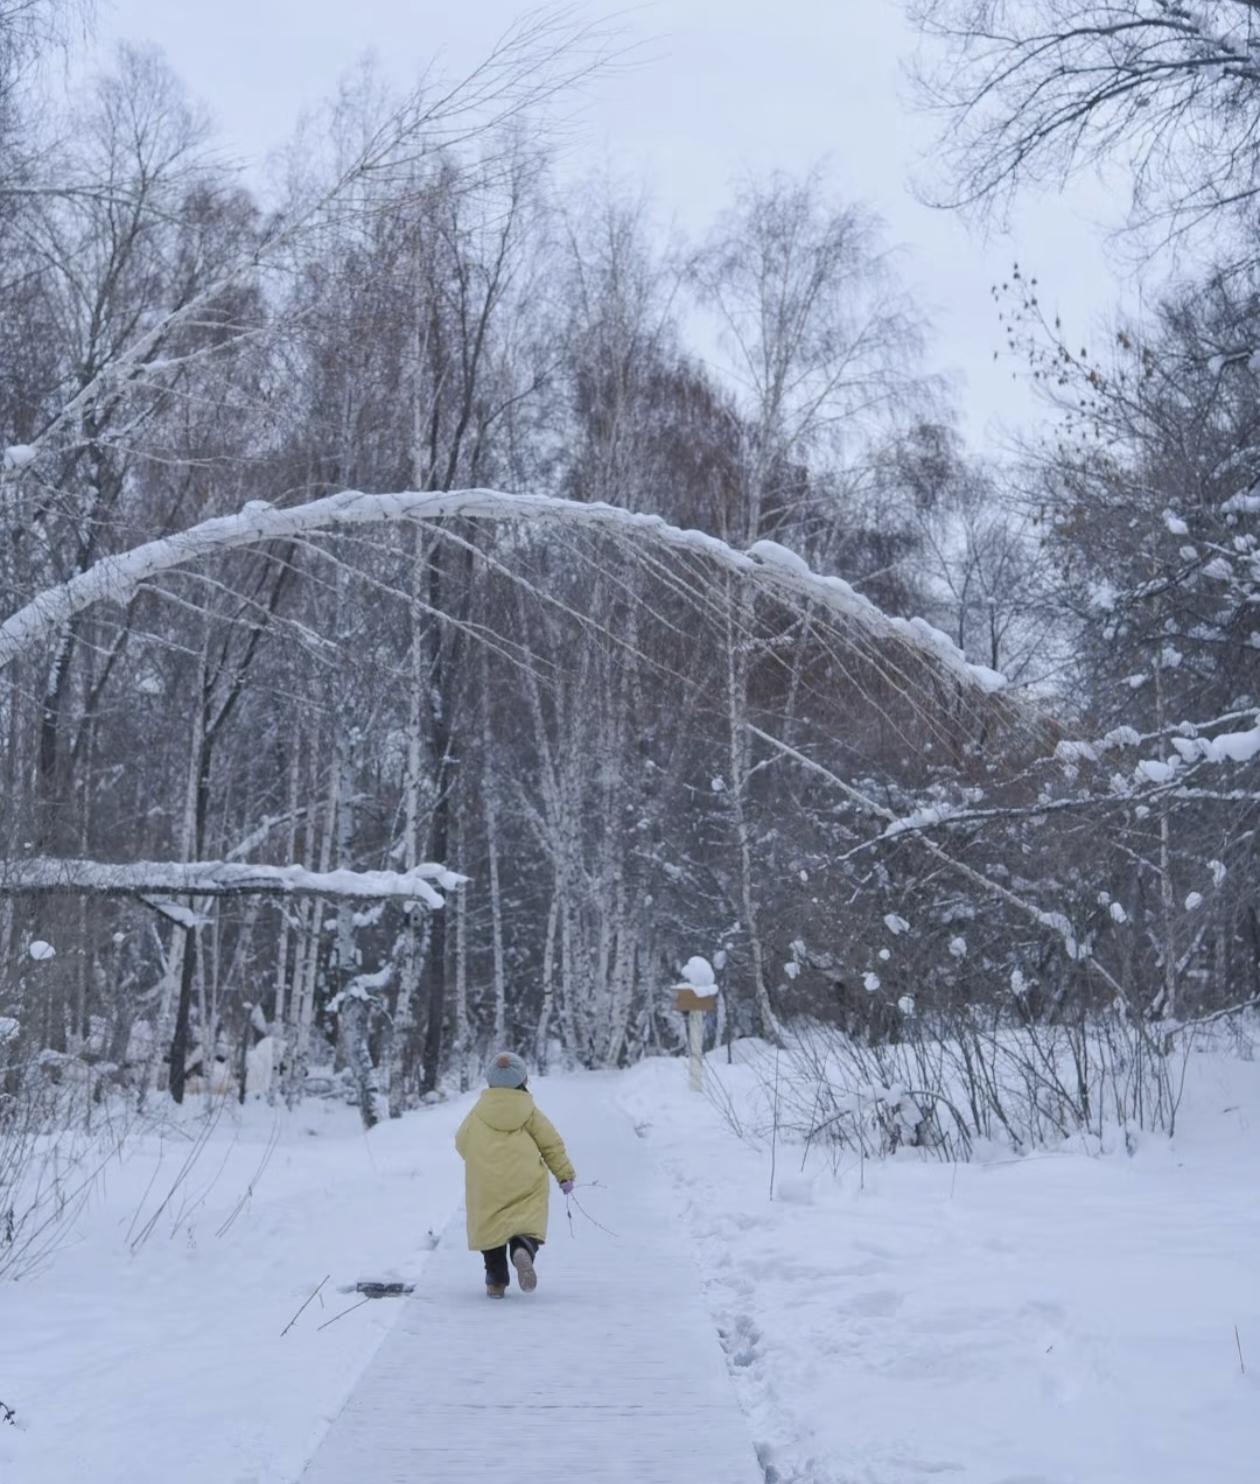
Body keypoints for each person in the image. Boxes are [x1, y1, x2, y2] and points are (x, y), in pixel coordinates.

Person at [454, 1051, 576, 1298]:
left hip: (486, 1181)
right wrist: (564, 1174)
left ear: (490, 1081)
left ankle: (495, 1279)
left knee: (490, 1226)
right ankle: (523, 1248)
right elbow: (551, 1143)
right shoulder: (529, 1111)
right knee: (526, 1219)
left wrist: (479, 1159)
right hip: (525, 1178)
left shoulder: (478, 1111)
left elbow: (461, 1141)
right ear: (523, 1080)